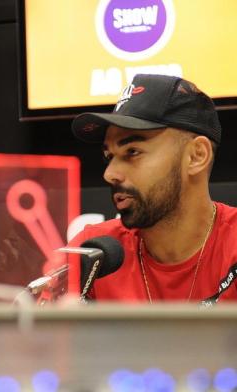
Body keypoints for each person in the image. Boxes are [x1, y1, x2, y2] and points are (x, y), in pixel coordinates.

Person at [70, 73, 237, 305]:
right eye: (109, 156)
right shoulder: (93, 251)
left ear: (196, 156)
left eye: (132, 152)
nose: (109, 174)